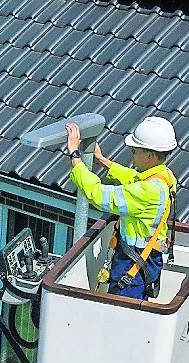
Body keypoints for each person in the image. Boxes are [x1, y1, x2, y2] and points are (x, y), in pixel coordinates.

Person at [64, 116, 179, 300]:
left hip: (132, 265)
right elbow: (133, 177)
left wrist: (75, 157)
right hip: (146, 259)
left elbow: (98, 195)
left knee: (124, 318)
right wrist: (101, 159)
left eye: (134, 151)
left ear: (149, 155)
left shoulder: (146, 192)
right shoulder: (165, 177)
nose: (131, 154)